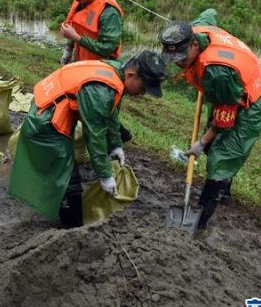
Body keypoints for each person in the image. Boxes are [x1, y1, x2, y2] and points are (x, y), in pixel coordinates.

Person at [9, 51, 167, 228]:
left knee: (68, 170)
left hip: (52, 111)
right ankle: (72, 227)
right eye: (143, 88)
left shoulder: (115, 74)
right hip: (45, 124)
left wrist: (116, 145)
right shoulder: (100, 91)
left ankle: (69, 215)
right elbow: (94, 135)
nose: (143, 93)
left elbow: (111, 114)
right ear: (131, 75)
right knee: (68, 179)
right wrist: (105, 175)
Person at [160, 9, 261, 231]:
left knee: (220, 157)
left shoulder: (217, 72)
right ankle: (224, 189)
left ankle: (201, 221)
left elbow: (224, 119)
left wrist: (201, 143)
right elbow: (208, 15)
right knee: (213, 146)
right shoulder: (197, 30)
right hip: (228, 92)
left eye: (182, 57)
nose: (179, 63)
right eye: (173, 58)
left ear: (193, 46)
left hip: (248, 104)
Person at [58, 0, 132, 144]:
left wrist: (77, 39)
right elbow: (74, 25)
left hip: (104, 72)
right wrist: (69, 49)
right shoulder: (80, 3)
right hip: (83, 65)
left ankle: (114, 144)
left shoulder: (108, 13)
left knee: (101, 112)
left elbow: (108, 47)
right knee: (82, 106)